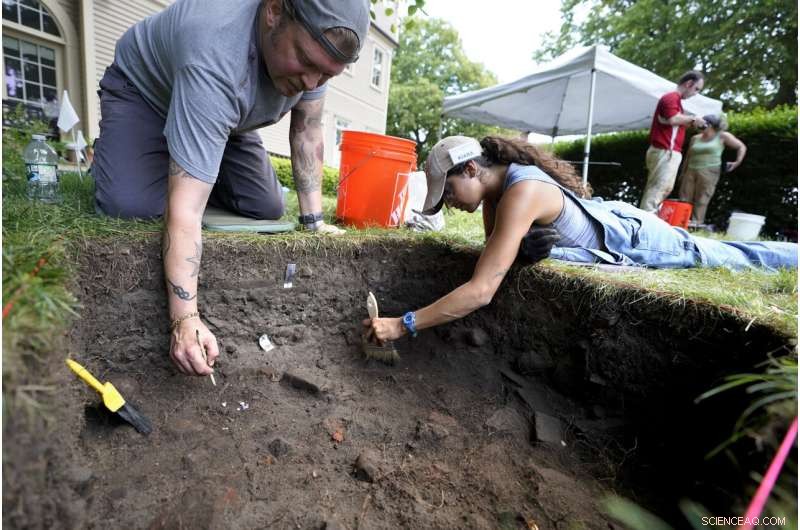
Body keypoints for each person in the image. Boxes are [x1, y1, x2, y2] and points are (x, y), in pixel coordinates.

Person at [90, 0, 369, 377]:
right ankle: (124, 157)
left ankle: (194, 159)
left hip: (228, 119)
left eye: (326, 75)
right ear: (274, 11)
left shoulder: (316, 58)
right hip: (145, 95)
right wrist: (185, 319)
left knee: (267, 207)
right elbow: (186, 212)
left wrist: (314, 222)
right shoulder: (214, 46)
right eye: (305, 61)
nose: (310, 83)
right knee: (130, 203)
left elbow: (307, 131)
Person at [363, 135, 797, 343]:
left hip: (633, 238)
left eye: (449, 191)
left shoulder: (521, 192)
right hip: (613, 219)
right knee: (722, 252)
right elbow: (496, 256)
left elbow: (481, 290)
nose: (450, 203)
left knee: (726, 255)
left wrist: (405, 324)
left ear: (472, 169)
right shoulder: (497, 195)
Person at [639, 71, 708, 213]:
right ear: (689, 83)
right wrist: (694, 119)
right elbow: (673, 119)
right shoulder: (671, 98)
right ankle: (647, 219)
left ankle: (647, 217)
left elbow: (671, 121)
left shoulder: (674, 100)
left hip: (665, 151)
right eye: (696, 89)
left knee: (660, 188)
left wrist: (689, 121)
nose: (696, 93)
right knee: (658, 189)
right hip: (666, 151)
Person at [678, 114, 747, 225]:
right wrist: (683, 172)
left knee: (702, 199)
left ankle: (696, 224)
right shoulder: (695, 138)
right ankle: (681, 223)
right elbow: (688, 157)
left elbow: (741, 147)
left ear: (710, 125)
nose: (699, 125)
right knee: (684, 197)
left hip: (710, 171)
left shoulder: (722, 136)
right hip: (691, 170)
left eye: (702, 123)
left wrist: (737, 162)